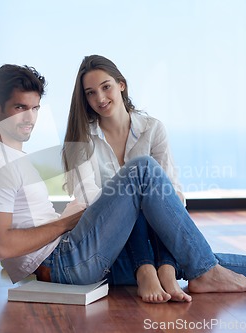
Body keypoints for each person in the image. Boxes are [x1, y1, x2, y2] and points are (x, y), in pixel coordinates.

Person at [0, 63, 246, 305]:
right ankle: (205, 270)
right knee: (141, 170)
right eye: (19, 108)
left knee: (187, 256)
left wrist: (71, 220)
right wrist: (66, 222)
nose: (29, 118)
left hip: (72, 256)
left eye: (34, 109)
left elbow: (169, 194)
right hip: (61, 266)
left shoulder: (16, 157)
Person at [62, 54, 189, 303]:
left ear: (121, 84)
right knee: (135, 194)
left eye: (106, 87)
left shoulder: (153, 129)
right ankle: (147, 270)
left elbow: (173, 192)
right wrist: (133, 199)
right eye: (90, 93)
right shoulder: (82, 137)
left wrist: (151, 203)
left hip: (156, 232)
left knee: (157, 195)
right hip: (109, 238)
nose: (99, 98)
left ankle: (165, 269)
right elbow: (92, 203)